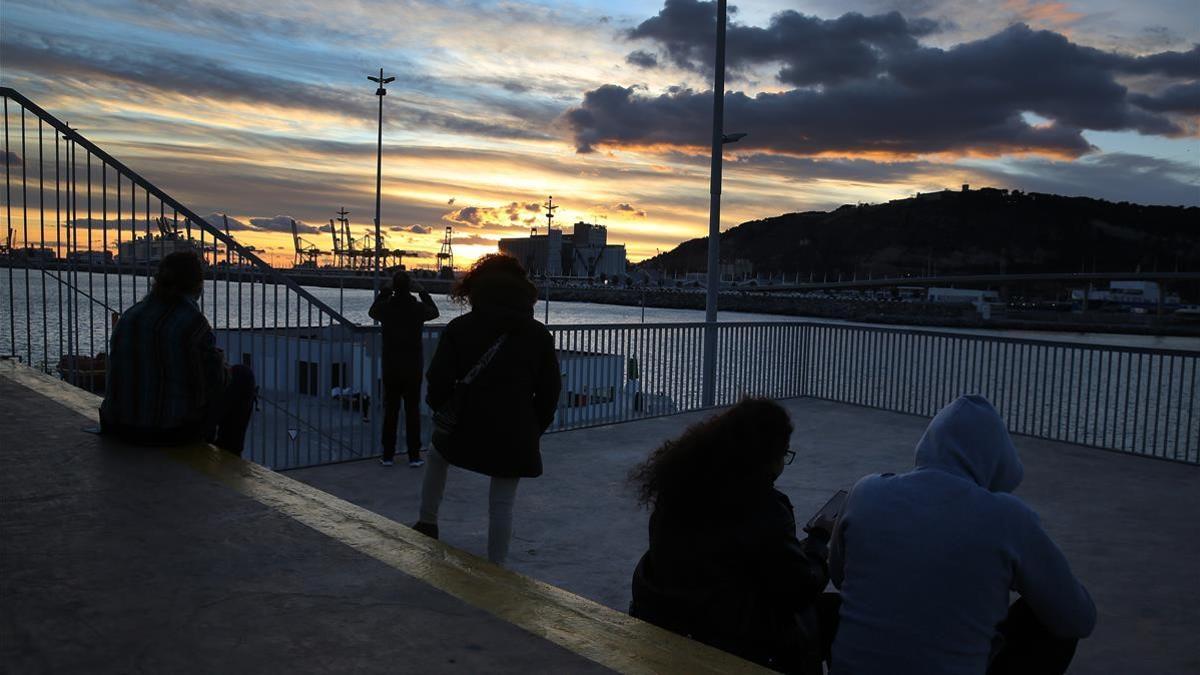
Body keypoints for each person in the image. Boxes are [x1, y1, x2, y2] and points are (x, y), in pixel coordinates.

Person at [829, 395, 1096, 675]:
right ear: (997, 460)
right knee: (1044, 617)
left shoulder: (866, 492)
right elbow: (1078, 618)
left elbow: (839, 576)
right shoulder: (1007, 519)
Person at [628, 398, 837, 675]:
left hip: (681, 621)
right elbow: (799, 589)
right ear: (768, 455)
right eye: (784, 454)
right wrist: (819, 544)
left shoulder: (678, 490)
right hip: (739, 639)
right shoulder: (764, 507)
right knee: (838, 611)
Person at [412, 254, 560, 564]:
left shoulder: (459, 327)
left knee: (438, 455)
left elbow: (437, 380)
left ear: (476, 288)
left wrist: (444, 411)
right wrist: (533, 428)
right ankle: (497, 566)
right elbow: (549, 393)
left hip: (466, 426)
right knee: (502, 502)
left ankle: (427, 521)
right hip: (514, 432)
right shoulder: (538, 335)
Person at [100, 251, 255, 455]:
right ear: (197, 284)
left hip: (117, 427)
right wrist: (220, 364)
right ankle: (229, 454)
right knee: (243, 376)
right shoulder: (194, 323)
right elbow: (215, 383)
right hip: (167, 433)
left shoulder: (131, 315)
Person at [369, 270, 439, 467]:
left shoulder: (386, 307)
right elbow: (434, 312)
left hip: (391, 365)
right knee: (412, 410)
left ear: (393, 286)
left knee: (391, 409)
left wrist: (384, 291)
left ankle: (388, 455)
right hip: (412, 365)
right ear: (410, 287)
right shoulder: (417, 308)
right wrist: (423, 291)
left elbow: (372, 311)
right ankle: (414, 455)